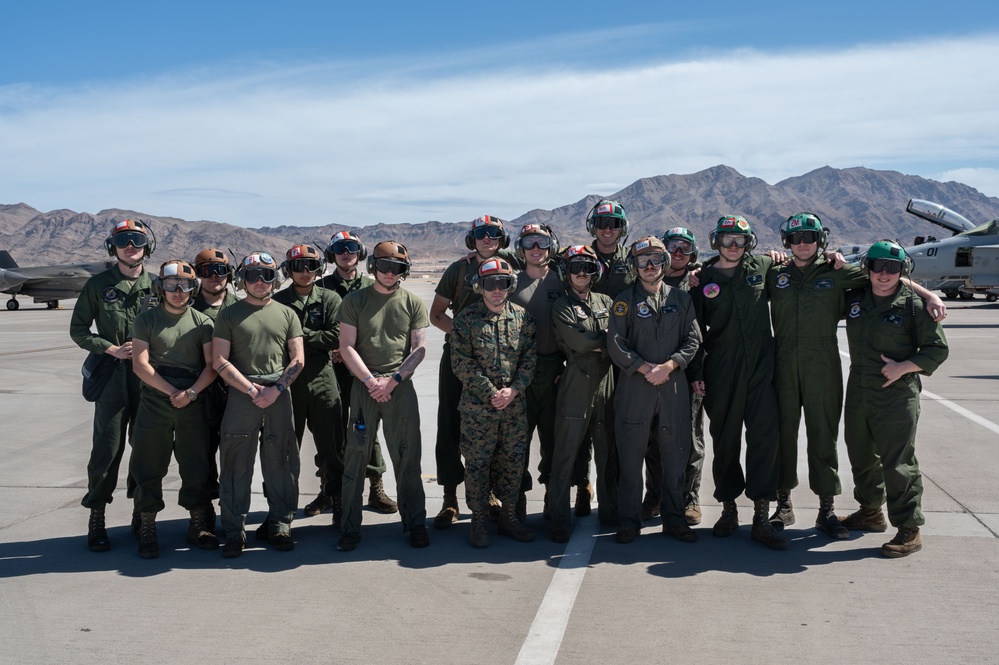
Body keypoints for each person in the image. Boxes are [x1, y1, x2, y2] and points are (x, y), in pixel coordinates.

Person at [767, 214, 948, 538]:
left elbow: (886, 276)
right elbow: (735, 274)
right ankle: (784, 504)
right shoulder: (774, 272)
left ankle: (826, 510)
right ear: (787, 243)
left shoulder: (837, 273)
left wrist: (928, 294)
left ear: (820, 239)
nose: (804, 242)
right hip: (782, 363)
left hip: (823, 364)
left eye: (810, 236)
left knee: (824, 437)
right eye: (796, 238)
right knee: (783, 436)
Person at [841, 240, 948, 557]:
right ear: (868, 269)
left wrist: (904, 366)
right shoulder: (855, 300)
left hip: (896, 392)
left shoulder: (914, 308)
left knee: (898, 462)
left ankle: (909, 528)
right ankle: (871, 512)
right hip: (859, 387)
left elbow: (937, 349)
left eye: (892, 267)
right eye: (878, 267)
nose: (884, 274)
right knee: (860, 453)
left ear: (902, 271)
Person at [689, 215, 787, 550]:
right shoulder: (702, 278)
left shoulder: (764, 266)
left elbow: (802, 274)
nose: (734, 246)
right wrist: (697, 372)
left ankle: (762, 516)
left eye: (740, 240)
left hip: (761, 367)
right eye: (728, 239)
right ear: (716, 241)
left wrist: (830, 257)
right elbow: (694, 331)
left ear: (750, 243)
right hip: (722, 369)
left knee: (764, 439)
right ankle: (729, 508)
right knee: (725, 440)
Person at [336, 241, 430, 551]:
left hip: (399, 389)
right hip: (364, 389)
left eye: (397, 268)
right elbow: (346, 346)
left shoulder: (413, 302)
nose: (390, 273)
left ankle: (415, 523)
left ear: (405, 271)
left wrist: (393, 380)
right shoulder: (354, 300)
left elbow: (419, 348)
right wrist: (370, 381)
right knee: (355, 458)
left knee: (408, 460)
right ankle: (349, 527)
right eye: (384, 266)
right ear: (372, 266)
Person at [70, 219, 156, 552]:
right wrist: (110, 348)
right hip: (112, 378)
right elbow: (79, 330)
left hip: (149, 380)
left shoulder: (160, 286)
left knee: (147, 449)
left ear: (146, 246)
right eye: (123, 240)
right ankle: (97, 518)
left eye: (137, 239)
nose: (130, 245)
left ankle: (143, 517)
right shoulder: (97, 285)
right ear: (113, 247)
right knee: (106, 449)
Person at [608, 237, 701, 544]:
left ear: (664, 263)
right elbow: (616, 344)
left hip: (672, 389)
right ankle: (629, 521)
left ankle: (674, 520)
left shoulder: (682, 299)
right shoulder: (624, 301)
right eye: (642, 261)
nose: (649, 266)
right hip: (636, 388)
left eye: (655, 260)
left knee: (675, 457)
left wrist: (670, 366)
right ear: (634, 266)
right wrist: (646, 368)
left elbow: (693, 339)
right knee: (631, 457)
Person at [212, 252, 304, 558]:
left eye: (266, 275)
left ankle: (281, 524)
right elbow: (219, 360)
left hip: (279, 394)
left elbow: (298, 359)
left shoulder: (287, 314)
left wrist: (276, 389)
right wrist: (252, 389)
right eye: (253, 276)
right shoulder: (228, 315)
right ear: (242, 280)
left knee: (282, 460)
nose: (260, 282)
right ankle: (234, 531)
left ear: (275, 278)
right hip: (242, 395)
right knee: (236, 463)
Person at [429, 215, 515, 528]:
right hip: (457, 358)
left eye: (495, 233)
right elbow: (436, 313)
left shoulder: (509, 267)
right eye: (482, 233)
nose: (488, 238)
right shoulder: (459, 270)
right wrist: (464, 335)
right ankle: (450, 498)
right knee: (450, 424)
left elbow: (546, 256)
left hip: (494, 361)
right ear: (472, 239)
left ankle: (488, 493)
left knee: (491, 426)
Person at [129, 260, 218, 558]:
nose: (178, 292)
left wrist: (190, 393)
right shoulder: (146, 320)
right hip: (156, 399)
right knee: (148, 464)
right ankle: (147, 525)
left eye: (185, 286)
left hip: (192, 400)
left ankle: (197, 524)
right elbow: (140, 365)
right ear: (160, 288)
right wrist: (172, 392)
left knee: (195, 464)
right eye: (171, 285)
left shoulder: (203, 322)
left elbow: (211, 366)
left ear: (194, 289)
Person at [450, 258, 537, 547]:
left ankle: (509, 517)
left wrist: (513, 390)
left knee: (512, 463)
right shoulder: (465, 320)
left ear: (510, 285)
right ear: (480, 287)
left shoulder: (523, 319)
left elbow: (529, 359)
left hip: (514, 408)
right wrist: (490, 392)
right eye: (490, 284)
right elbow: (461, 363)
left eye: (502, 284)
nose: (497, 290)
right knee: (477, 464)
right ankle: (478, 520)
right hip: (478, 411)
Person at [510, 223, 592, 519]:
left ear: (551, 247)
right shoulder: (509, 283)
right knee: (516, 441)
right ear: (521, 248)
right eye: (529, 242)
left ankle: (555, 497)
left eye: (542, 243)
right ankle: (515, 498)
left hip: (556, 371)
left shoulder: (564, 282)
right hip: (518, 374)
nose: (536, 248)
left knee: (555, 441)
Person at [319, 231, 397, 521]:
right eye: (340, 248)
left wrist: (354, 352)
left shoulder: (371, 286)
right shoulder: (322, 288)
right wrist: (334, 351)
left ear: (361, 253)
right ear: (332, 254)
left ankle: (375, 486)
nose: (346, 253)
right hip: (332, 371)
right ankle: (329, 487)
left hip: (366, 370)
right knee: (331, 429)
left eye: (352, 248)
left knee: (368, 426)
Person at [549, 245, 619, 542]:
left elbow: (618, 336)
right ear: (567, 272)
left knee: (607, 450)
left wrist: (604, 343)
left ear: (595, 272)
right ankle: (558, 517)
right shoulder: (562, 306)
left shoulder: (606, 300)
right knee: (565, 452)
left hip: (608, 380)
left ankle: (609, 511)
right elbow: (577, 341)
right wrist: (604, 342)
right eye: (575, 267)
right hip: (577, 378)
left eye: (587, 268)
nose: (581, 273)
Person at [273, 244, 345, 527]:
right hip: (288, 380)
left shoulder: (330, 299)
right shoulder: (277, 301)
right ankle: (281, 511)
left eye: (311, 266)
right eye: (299, 266)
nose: (305, 272)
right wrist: (309, 339)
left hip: (321, 378)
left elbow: (336, 337)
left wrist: (296, 336)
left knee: (332, 447)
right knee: (284, 449)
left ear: (320, 269)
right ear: (288, 270)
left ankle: (338, 503)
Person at [642, 227, 706, 527]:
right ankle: (654, 495)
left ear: (693, 253)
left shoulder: (699, 284)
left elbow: (698, 335)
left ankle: (689, 497)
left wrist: (695, 373)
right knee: (652, 440)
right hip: (649, 377)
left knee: (690, 439)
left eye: (685, 248)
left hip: (685, 374)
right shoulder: (646, 279)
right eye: (673, 247)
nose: (679, 253)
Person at [191, 248, 239, 503]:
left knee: (236, 456)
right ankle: (203, 517)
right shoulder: (187, 308)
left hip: (235, 393)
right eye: (206, 271)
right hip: (201, 393)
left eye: (220, 271)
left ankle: (233, 512)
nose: (214, 277)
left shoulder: (241, 308)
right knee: (201, 457)